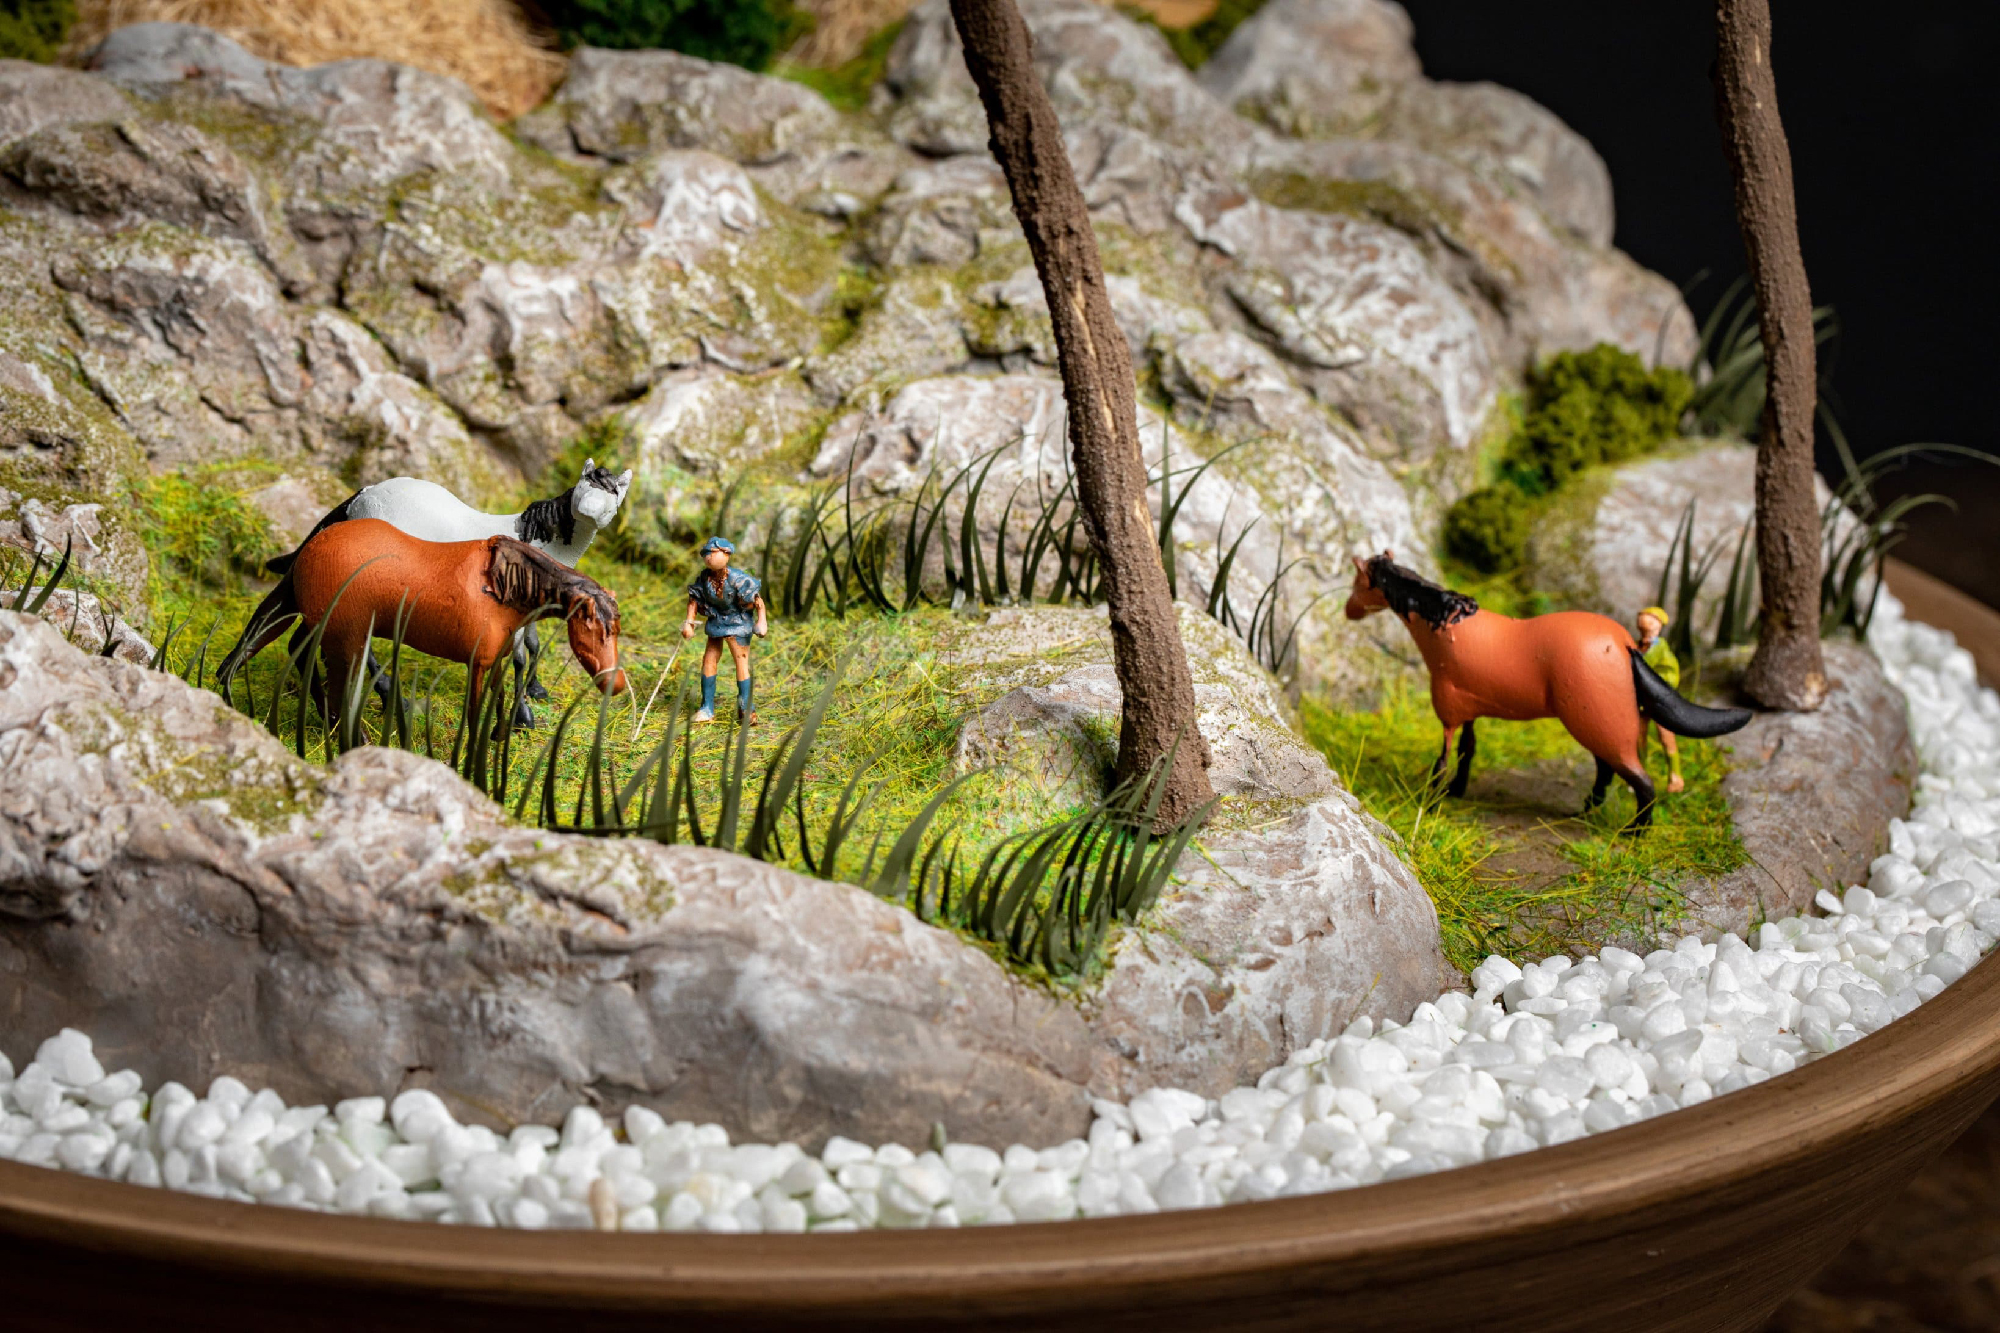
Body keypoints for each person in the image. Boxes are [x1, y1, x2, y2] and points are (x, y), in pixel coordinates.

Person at [681, 537, 768, 724]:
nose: (708, 557)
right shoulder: (704, 579)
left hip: (738, 623)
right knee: (709, 660)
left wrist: (762, 621)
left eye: (713, 553)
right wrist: (689, 622)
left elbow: (758, 600)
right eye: (706, 553)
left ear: (726, 554)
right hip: (716, 622)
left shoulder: (738, 579)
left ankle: (746, 709)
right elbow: (693, 600)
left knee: (741, 662)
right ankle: (707, 708)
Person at [1634, 605, 1684, 794]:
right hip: (1641, 698)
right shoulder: (1637, 645)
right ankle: (1640, 775)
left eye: (1651, 619)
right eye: (1643, 618)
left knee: (1665, 735)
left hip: (1660, 698)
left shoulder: (1659, 649)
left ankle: (1675, 776)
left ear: (1659, 625)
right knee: (1638, 736)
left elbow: (1644, 665)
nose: (1645, 622)